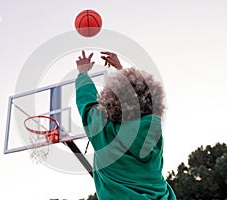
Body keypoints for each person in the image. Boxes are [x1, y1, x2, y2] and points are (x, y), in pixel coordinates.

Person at [75, 50, 176, 200]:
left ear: (111, 99)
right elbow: (136, 93)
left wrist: (82, 73)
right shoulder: (153, 131)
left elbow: (87, 103)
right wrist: (121, 70)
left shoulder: (104, 132)